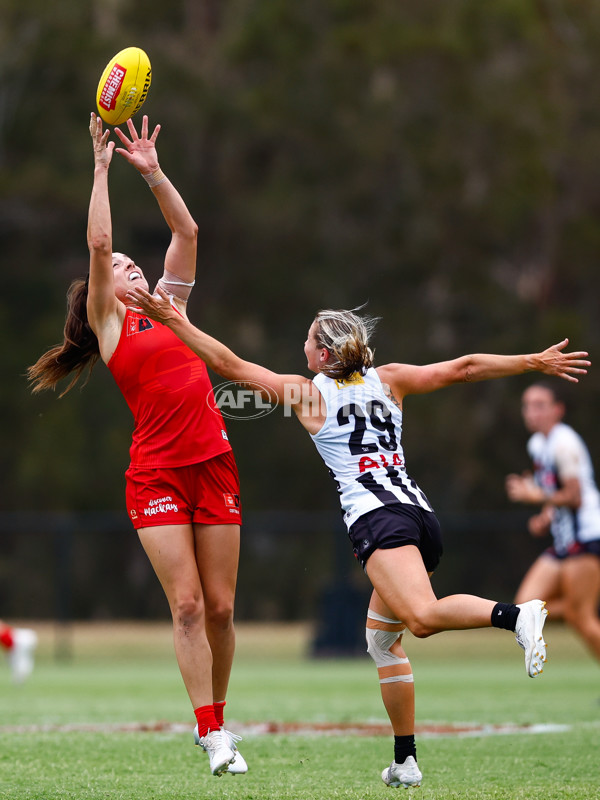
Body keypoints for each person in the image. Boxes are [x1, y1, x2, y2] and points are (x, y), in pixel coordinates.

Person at [123, 288, 590, 788]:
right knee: (383, 641)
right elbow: (466, 367)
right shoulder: (389, 380)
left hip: (378, 521)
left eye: (308, 341)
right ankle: (405, 761)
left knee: (423, 618)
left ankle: (517, 616)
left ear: (323, 355)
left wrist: (170, 318)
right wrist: (531, 361)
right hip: (419, 516)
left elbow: (229, 365)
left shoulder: (308, 394)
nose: (303, 347)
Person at [27, 114, 246, 777]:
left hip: (213, 463)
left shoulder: (171, 307)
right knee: (185, 605)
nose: (128, 263)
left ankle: (221, 714)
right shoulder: (115, 325)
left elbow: (187, 231)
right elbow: (98, 242)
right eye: (120, 266)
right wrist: (100, 169)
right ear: (106, 296)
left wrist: (151, 173)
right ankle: (212, 736)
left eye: (130, 260)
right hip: (155, 476)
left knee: (222, 608)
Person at [506, 382, 600, 663]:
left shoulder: (563, 442)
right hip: (564, 541)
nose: (532, 412)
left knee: (580, 617)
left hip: (586, 537)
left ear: (558, 410)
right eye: (527, 406)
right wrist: (546, 516)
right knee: (523, 607)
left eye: (540, 405)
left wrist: (535, 496)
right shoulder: (537, 444)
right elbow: (555, 491)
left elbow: (574, 496)